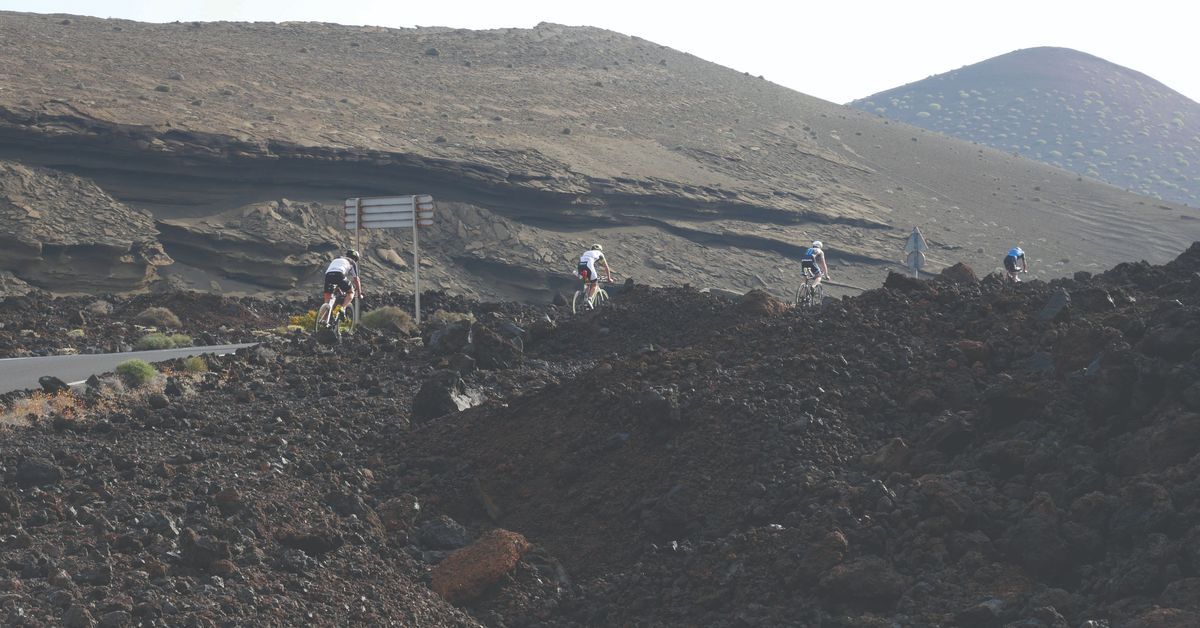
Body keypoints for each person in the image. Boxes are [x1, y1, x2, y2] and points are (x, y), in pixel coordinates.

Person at [323, 249, 363, 314]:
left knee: (327, 300)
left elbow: (334, 274)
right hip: (339, 274)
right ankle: (343, 308)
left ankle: (323, 321)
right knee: (351, 292)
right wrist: (359, 294)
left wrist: (339, 288)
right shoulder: (352, 262)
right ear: (355, 259)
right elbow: (356, 280)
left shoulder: (337, 259)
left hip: (328, 275)